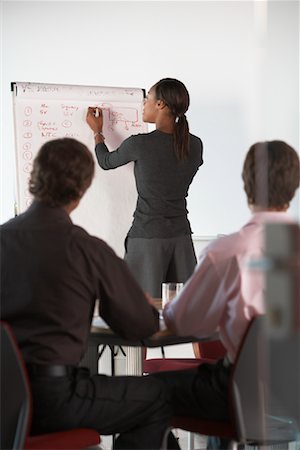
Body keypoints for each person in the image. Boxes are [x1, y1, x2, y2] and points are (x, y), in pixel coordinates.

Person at [0, 137, 178, 450]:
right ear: (81, 190)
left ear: (35, 177)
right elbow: (140, 326)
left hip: (3, 398)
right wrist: (142, 305)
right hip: (52, 400)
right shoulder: (85, 249)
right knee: (157, 396)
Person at [151, 140, 300, 446]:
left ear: (247, 187)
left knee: (146, 393)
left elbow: (183, 322)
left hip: (243, 397)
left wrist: (161, 307)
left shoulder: (228, 252)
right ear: (294, 186)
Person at [86, 77, 203, 298]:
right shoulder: (195, 145)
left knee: (139, 306)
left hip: (148, 237)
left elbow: (105, 161)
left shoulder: (140, 144)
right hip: (181, 237)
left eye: (147, 99)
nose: (143, 104)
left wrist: (97, 132)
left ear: (160, 104)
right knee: (179, 309)